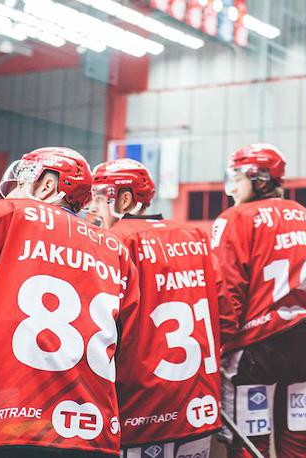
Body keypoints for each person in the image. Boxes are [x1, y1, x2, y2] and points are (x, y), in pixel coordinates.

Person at [0, 147, 139, 457]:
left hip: (3, 423)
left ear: (47, 185)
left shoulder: (0, 215)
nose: (12, 194)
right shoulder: (114, 247)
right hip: (93, 430)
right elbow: (130, 342)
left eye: (19, 184)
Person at [88, 158, 224, 458]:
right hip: (197, 399)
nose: (92, 208)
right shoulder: (197, 236)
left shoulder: (115, 239)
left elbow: (99, 322)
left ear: (124, 199)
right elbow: (225, 310)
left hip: (140, 405)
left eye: (99, 198)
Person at [211, 143, 306, 457]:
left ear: (259, 179)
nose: (232, 187)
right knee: (299, 443)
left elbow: (226, 291)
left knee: (252, 442)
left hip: (257, 348)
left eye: (237, 177)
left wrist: (219, 346)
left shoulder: (235, 218)